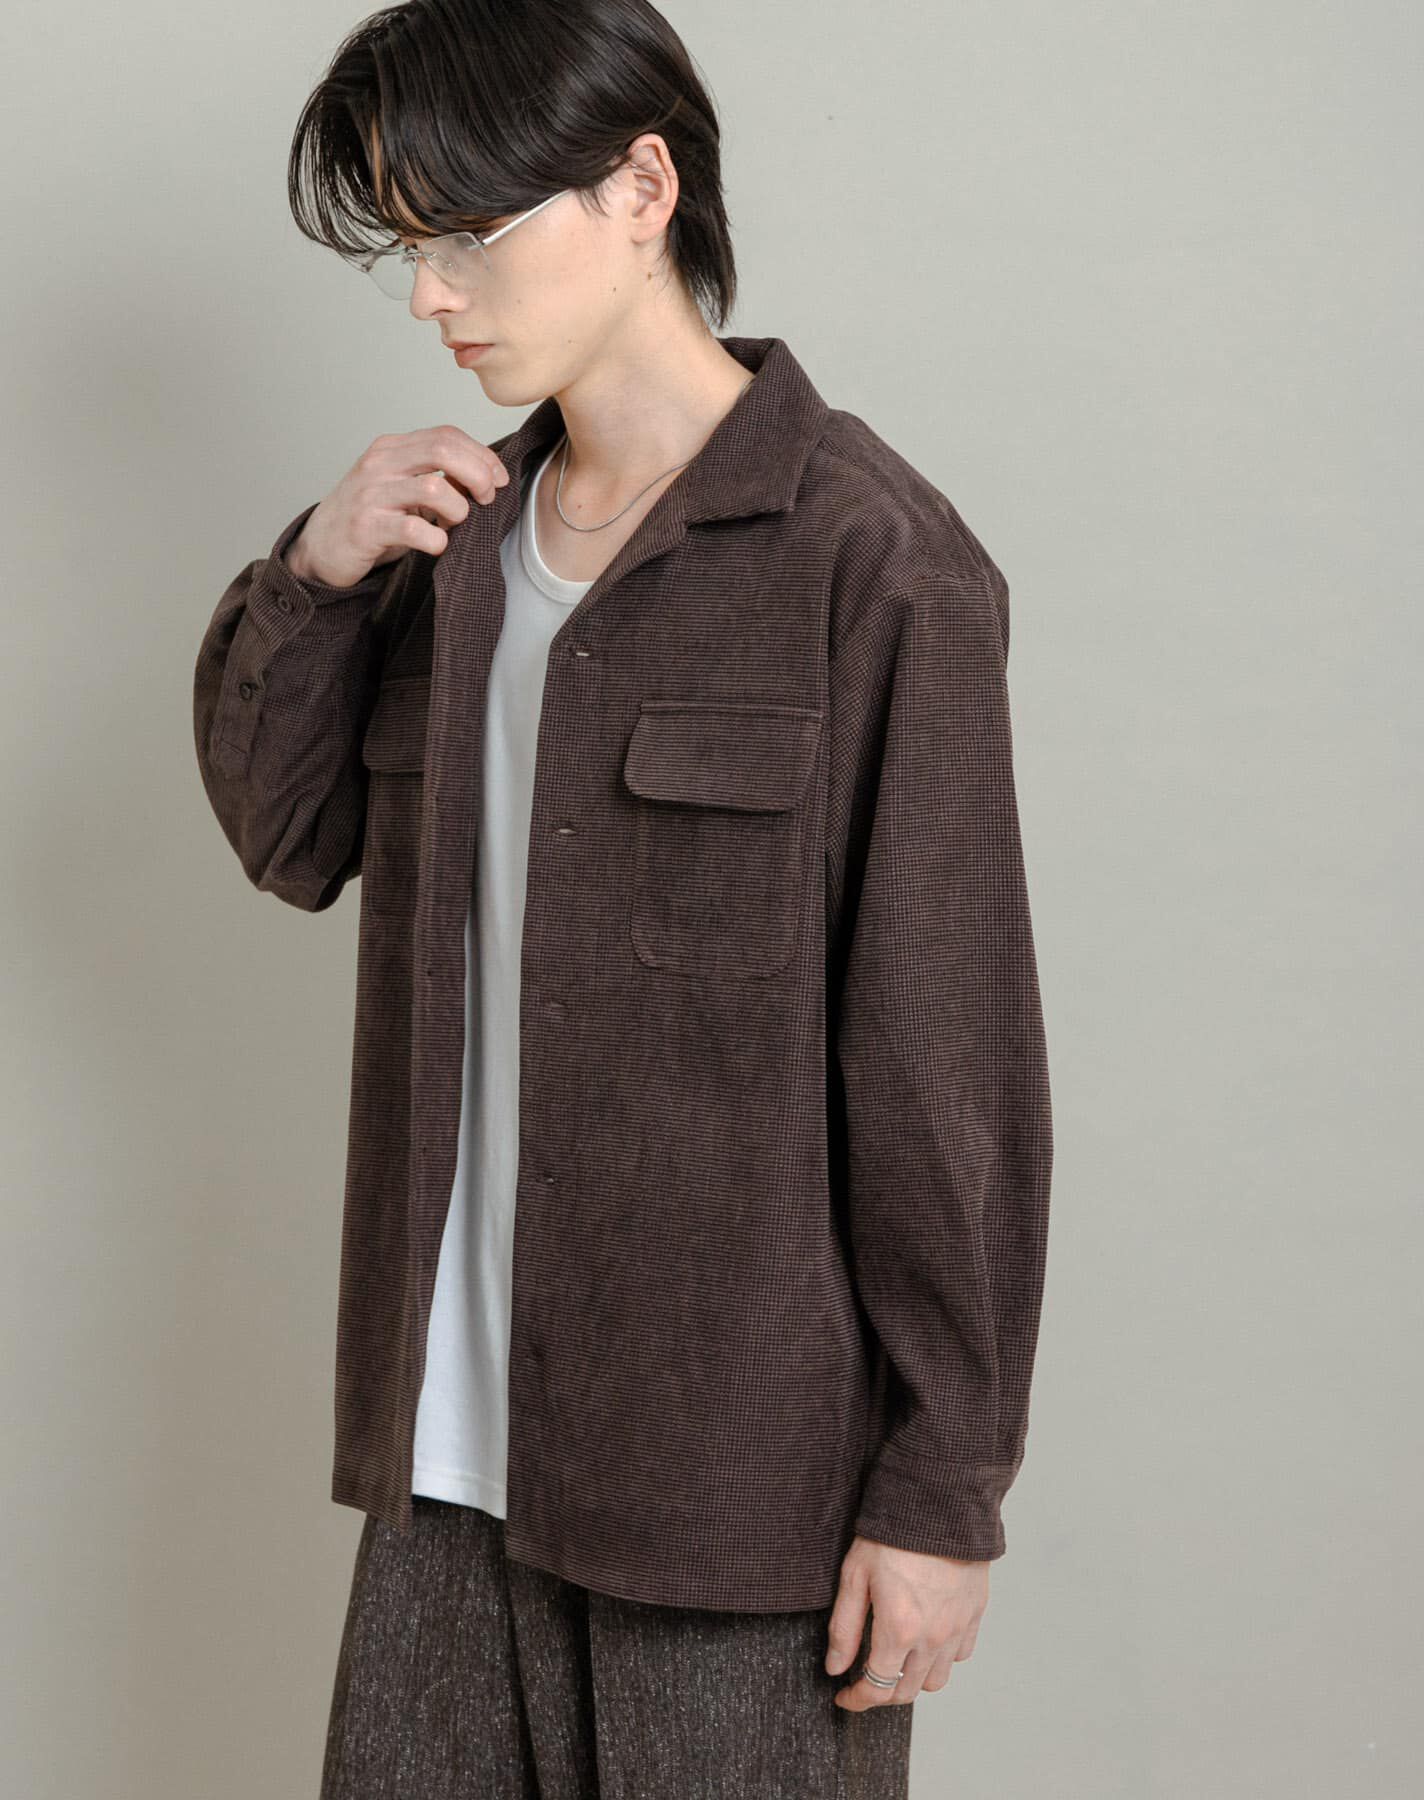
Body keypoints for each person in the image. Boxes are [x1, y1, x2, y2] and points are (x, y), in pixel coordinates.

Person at [191, 1, 1053, 1794]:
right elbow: (287, 840)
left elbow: (946, 1063)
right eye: (406, 245)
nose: (430, 295)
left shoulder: (875, 564)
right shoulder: (451, 553)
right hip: (447, 1472)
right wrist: (316, 576)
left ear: (642, 187)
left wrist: (941, 1486)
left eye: (466, 233)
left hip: (735, 1498)